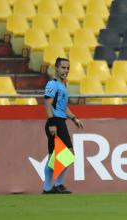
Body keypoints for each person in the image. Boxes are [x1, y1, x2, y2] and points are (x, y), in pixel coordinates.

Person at [43, 57, 83, 194]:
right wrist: (52, 124)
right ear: (56, 68)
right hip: (56, 122)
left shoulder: (63, 85)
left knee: (53, 157)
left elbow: (63, 107)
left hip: (60, 121)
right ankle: (57, 184)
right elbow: (47, 104)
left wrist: (74, 118)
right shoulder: (52, 84)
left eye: (68, 68)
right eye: (63, 67)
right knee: (68, 155)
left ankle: (48, 188)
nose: (66, 70)